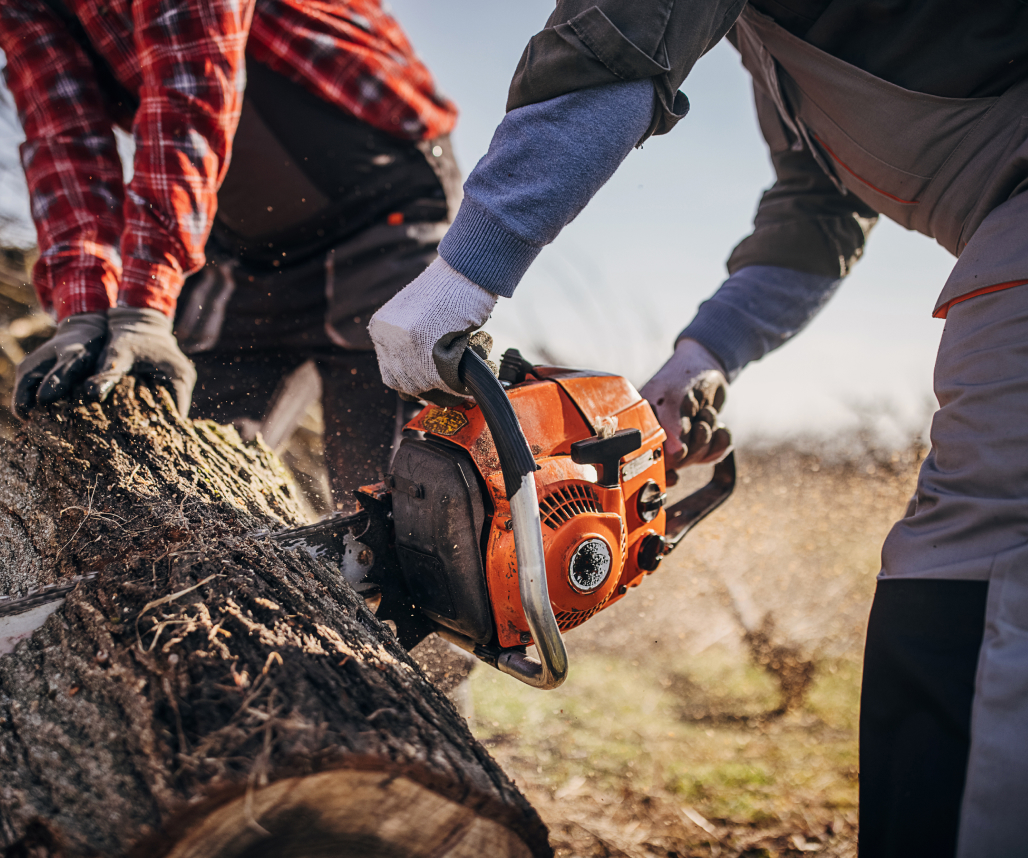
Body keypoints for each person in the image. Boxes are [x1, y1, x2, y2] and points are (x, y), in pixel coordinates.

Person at [369, 3, 1028, 856]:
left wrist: (466, 270)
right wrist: (702, 356)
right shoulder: (776, 48)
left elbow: (613, 40)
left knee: (984, 548)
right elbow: (820, 212)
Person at [0, 0, 459, 506]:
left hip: (383, 207)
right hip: (245, 248)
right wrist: (83, 311)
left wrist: (145, 301)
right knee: (186, 479)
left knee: (394, 502)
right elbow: (62, 138)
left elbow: (187, 92)